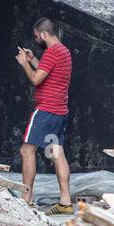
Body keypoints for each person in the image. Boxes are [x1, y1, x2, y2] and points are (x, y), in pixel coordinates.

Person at [15, 17, 73, 214]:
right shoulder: (63, 51)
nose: (36, 39)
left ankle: (26, 199)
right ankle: (65, 201)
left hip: (46, 111)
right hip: (60, 112)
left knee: (26, 151)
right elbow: (48, 72)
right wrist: (33, 60)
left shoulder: (51, 53)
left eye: (37, 36)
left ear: (45, 34)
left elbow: (35, 79)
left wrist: (24, 63)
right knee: (56, 153)